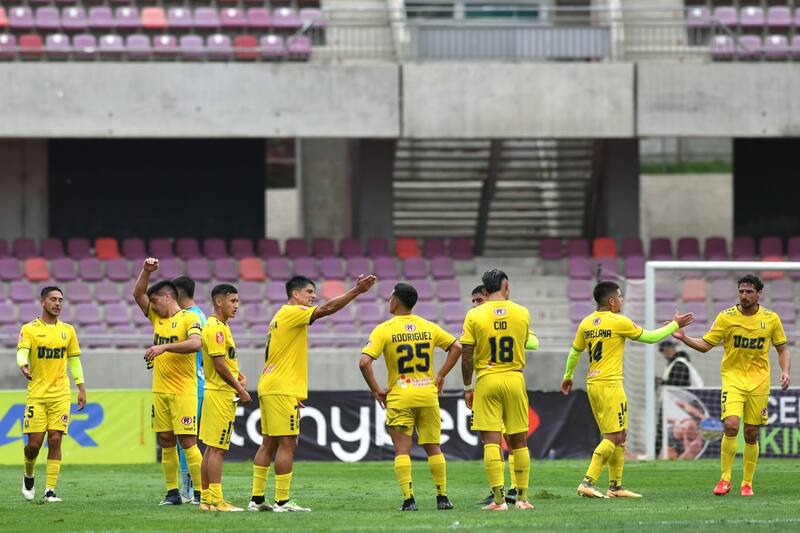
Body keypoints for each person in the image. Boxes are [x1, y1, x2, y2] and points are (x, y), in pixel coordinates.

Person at [249, 273, 377, 512]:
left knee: (269, 443)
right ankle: (282, 501)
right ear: (295, 294)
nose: (313, 297)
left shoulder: (280, 316)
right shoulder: (292, 312)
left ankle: (257, 500)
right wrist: (356, 291)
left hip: (273, 385)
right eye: (309, 292)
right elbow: (326, 309)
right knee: (288, 443)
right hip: (281, 388)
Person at [561, 281, 693, 499]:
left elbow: (575, 352)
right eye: (620, 297)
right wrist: (675, 325)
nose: (621, 301)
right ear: (612, 301)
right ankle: (588, 481)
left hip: (593, 383)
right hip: (610, 385)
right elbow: (650, 338)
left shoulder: (586, 323)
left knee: (620, 436)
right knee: (612, 437)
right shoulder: (618, 321)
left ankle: (615, 487)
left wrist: (567, 377)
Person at [672, 274, 790, 497]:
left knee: (751, 433)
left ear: (758, 293)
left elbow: (782, 348)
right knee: (731, 426)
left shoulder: (771, 319)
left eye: (749, 292)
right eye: (741, 291)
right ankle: (725, 479)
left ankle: (747, 483)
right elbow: (706, 345)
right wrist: (684, 338)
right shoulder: (726, 317)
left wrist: (784, 371)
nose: (744, 295)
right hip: (733, 380)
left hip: (759, 383)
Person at [358, 282, 462, 511]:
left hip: (400, 396)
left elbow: (364, 362)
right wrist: (441, 375)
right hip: (427, 394)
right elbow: (457, 347)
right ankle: (442, 497)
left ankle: (409, 500)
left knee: (402, 451)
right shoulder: (429, 327)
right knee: (434, 448)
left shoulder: (384, 329)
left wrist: (377, 390)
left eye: (390, 298)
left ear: (395, 301)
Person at [460, 269, 536, 511]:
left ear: (484, 291)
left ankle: (499, 500)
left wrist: (467, 386)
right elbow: (527, 342)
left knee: (491, 441)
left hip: (487, 379)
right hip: (514, 378)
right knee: (519, 441)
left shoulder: (474, 315)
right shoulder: (522, 312)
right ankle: (522, 499)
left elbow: (467, 355)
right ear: (506, 286)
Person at [133, 258, 203, 506]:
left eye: (154, 301)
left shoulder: (189, 318)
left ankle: (200, 493)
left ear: (167, 298)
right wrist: (146, 271)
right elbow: (137, 293)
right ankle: (172, 493)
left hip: (184, 390)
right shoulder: (157, 318)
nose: (151, 306)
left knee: (187, 441)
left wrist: (164, 349)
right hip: (160, 391)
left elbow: (196, 344)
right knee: (165, 440)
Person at [18, 286, 87, 503]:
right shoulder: (29, 329)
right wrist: (23, 364)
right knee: (34, 444)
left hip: (61, 393)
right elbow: (22, 351)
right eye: (53, 299)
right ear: (43, 302)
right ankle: (29, 474)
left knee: (55, 439)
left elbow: (74, 360)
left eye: (60, 300)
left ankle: (50, 490)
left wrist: (81, 387)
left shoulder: (68, 330)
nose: (57, 304)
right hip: (37, 394)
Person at [198, 284, 250, 512]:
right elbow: (219, 365)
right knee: (218, 449)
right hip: (220, 394)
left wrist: (238, 374)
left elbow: (223, 361)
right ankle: (218, 501)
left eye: (238, 302)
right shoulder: (216, 329)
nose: (236, 306)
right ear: (219, 302)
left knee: (210, 449)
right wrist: (240, 389)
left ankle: (206, 500)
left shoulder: (220, 326)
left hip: (215, 391)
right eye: (233, 301)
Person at [172, 276, 208, 504]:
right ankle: (191, 488)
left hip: (192, 385)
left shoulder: (192, 317)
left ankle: (191, 490)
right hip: (194, 383)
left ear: (177, 292)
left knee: (187, 439)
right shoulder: (198, 315)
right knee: (184, 439)